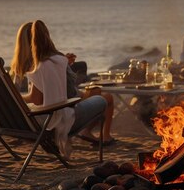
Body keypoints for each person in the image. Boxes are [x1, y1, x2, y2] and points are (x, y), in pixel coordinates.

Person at [10, 21, 115, 154]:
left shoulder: (23, 66)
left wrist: (13, 97)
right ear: (45, 37)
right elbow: (39, 98)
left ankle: (89, 132)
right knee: (104, 98)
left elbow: (37, 95)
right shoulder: (43, 65)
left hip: (28, 121)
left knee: (95, 93)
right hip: (54, 120)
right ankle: (105, 136)